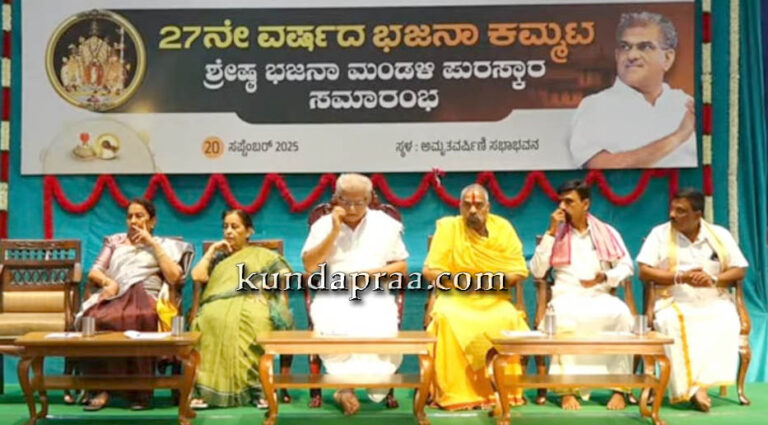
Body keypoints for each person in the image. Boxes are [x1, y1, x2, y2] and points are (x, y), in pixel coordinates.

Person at [301, 173, 408, 415]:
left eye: (358, 202)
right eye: (345, 201)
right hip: (333, 295)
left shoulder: (385, 224)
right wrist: (334, 230)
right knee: (340, 322)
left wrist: (370, 275)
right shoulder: (323, 225)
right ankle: (344, 387)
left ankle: (365, 384)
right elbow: (309, 265)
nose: (351, 209)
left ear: (369, 199)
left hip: (374, 293)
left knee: (377, 325)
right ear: (336, 198)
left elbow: (401, 267)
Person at [77, 198, 194, 411]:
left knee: (142, 316)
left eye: (139, 216)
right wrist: (108, 282)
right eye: (130, 216)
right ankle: (101, 389)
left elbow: (174, 277)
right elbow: (95, 271)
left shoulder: (165, 245)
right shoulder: (115, 241)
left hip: (147, 295)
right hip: (116, 293)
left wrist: (152, 244)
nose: (133, 221)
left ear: (152, 221)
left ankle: (141, 391)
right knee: (94, 317)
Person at [637, 189, 747, 412]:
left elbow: (740, 269)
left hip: (713, 298)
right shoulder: (660, 234)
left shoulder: (719, 235)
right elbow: (644, 271)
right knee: (675, 321)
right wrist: (680, 277)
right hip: (673, 298)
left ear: (698, 215)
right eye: (672, 209)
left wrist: (713, 279)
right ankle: (694, 388)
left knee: (727, 319)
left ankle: (700, 384)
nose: (672, 215)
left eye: (681, 211)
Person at [529, 180, 634, 410]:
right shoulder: (555, 234)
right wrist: (550, 233)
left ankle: (619, 389)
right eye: (560, 202)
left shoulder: (607, 232)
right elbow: (537, 271)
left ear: (585, 204)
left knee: (622, 314)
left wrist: (605, 277)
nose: (562, 207)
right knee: (564, 318)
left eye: (569, 202)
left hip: (600, 295)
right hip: (566, 297)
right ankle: (567, 389)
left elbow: (627, 266)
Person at [423, 184, 530, 410]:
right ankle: (457, 393)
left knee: (508, 316)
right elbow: (430, 271)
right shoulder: (449, 228)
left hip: (494, 298)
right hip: (456, 297)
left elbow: (518, 270)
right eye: (467, 205)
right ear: (460, 207)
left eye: (478, 205)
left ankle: (502, 391)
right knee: (446, 318)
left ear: (487, 207)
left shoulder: (503, 228)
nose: (472, 210)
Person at [189, 209, 296, 409]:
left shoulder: (262, 255)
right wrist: (212, 251)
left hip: (252, 302)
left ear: (248, 231)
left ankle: (260, 390)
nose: (228, 231)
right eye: (225, 227)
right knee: (210, 322)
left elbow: (284, 276)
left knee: (253, 321)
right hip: (216, 305)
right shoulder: (218, 259)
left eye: (235, 227)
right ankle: (204, 393)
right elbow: (197, 276)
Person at [569, 11, 695, 169]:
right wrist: (679, 136)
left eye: (645, 47)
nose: (632, 55)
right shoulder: (595, 106)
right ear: (617, 56)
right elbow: (599, 167)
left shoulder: (686, 104)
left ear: (668, 58)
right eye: (625, 47)